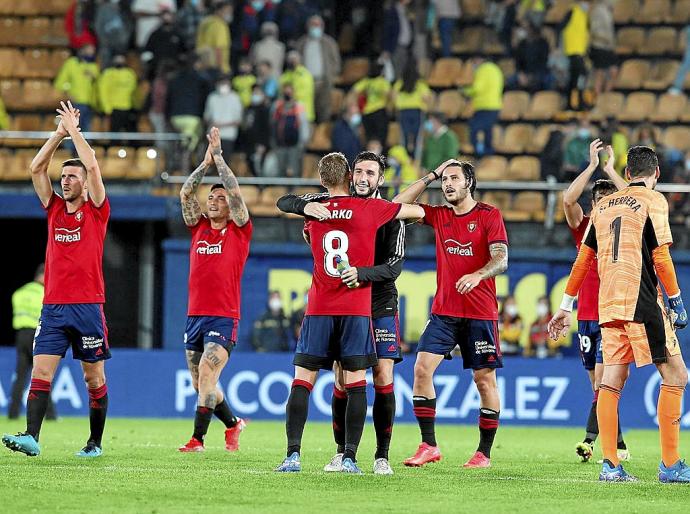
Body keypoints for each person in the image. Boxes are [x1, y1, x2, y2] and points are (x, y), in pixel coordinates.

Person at [274, 152, 424, 474]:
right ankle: (344, 454)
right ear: (349, 175)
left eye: (370, 172)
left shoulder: (379, 211)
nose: (363, 177)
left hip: (377, 298)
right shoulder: (358, 207)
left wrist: (361, 273)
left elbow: (394, 267)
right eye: (358, 171)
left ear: (380, 179)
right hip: (351, 305)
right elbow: (286, 201)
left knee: (382, 376)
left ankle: (381, 455)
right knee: (345, 381)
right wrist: (303, 205)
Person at [549, 146, 690, 482]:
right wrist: (676, 299)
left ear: (627, 175)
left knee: (610, 381)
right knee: (676, 375)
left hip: (607, 305)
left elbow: (583, 260)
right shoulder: (654, 202)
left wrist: (564, 307)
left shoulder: (603, 207)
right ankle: (670, 466)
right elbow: (661, 257)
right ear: (657, 174)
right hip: (641, 300)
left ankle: (611, 466)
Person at [2, 101, 110, 458]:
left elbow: (92, 165)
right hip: (53, 308)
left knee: (93, 379)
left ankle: (94, 442)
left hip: (88, 307)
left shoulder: (96, 210)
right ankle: (32, 437)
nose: (65, 181)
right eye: (62, 176)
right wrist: (58, 134)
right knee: (41, 372)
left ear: (84, 183)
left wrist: (75, 132)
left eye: (71, 177)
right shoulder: (53, 210)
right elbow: (36, 168)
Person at [393, 159, 508, 469]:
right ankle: (428, 445)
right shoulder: (439, 215)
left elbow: (501, 258)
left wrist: (479, 274)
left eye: (454, 178)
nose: (448, 184)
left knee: (484, 382)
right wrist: (430, 174)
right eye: (445, 179)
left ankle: (483, 453)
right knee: (420, 369)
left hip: (480, 313)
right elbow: (395, 206)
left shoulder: (488, 215)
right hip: (444, 312)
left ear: (468, 182)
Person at [177, 127, 252, 453]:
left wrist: (219, 157)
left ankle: (198, 439)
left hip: (223, 317)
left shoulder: (239, 230)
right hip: (195, 314)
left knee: (208, 373)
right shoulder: (199, 228)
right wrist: (205, 163)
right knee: (200, 383)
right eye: (211, 197)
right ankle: (234, 424)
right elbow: (185, 193)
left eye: (220, 197)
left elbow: (235, 192)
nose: (215, 199)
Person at [562, 139, 629, 463]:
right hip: (585, 315)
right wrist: (591, 167)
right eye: (599, 200)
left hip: (613, 313)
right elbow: (567, 198)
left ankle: (590, 441)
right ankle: (618, 439)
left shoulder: (623, 229)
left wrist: (611, 170)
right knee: (597, 385)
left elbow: (635, 197)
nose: (604, 204)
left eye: (609, 199)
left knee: (604, 381)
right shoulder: (584, 228)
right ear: (593, 204)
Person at [8, 264, 57, 421]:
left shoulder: (19, 293)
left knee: (20, 376)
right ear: (42, 275)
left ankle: (12, 413)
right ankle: (50, 415)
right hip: (36, 335)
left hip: (21, 335)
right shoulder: (44, 293)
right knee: (42, 374)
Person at [295, 15, 341, 123]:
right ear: (308, 26)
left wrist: (331, 75)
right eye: (313, 24)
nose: (315, 27)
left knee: (324, 111)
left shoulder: (329, 42)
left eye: (318, 25)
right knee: (306, 112)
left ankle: (321, 136)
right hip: (306, 84)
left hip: (324, 81)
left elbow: (336, 62)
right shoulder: (301, 43)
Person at [54, 44, 99, 135]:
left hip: (91, 103)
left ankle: (83, 148)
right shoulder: (72, 63)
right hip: (76, 102)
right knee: (73, 129)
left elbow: (99, 85)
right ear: (82, 50)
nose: (91, 52)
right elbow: (60, 82)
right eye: (89, 49)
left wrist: (95, 78)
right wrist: (69, 93)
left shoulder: (94, 66)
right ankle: (70, 149)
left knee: (86, 131)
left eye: (93, 50)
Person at [463, 57, 503, 157]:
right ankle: (488, 154)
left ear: (478, 60)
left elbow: (477, 88)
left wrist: (465, 91)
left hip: (484, 105)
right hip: (495, 105)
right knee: (487, 131)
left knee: (473, 127)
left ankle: (478, 152)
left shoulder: (482, 70)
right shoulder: (496, 69)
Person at [392, 60, 432, 155]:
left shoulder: (399, 83)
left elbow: (393, 97)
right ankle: (415, 159)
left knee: (404, 137)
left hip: (403, 112)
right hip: (416, 112)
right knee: (416, 138)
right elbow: (426, 98)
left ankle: (405, 158)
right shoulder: (420, 84)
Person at [271, 84, 310, 177]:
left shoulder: (299, 107)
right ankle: (280, 190)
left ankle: (294, 190)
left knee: (294, 170)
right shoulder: (277, 107)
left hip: (294, 145)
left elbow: (304, 125)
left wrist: (303, 142)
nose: (287, 94)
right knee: (280, 170)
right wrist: (273, 142)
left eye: (289, 92)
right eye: (285, 92)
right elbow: (272, 125)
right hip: (280, 145)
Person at [352, 61, 391, 146]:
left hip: (367, 113)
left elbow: (354, 90)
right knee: (381, 140)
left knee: (369, 140)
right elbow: (388, 95)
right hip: (379, 113)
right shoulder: (382, 82)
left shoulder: (366, 81)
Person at [560, 1, 590, 110]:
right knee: (579, 77)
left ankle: (573, 103)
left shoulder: (584, 15)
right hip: (573, 52)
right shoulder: (573, 12)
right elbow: (560, 27)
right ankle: (576, 102)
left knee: (576, 78)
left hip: (579, 53)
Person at [204, 75, 243, 157]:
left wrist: (222, 125)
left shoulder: (235, 98)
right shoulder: (212, 97)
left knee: (225, 161)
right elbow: (206, 117)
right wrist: (212, 123)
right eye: (221, 83)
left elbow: (239, 120)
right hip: (213, 136)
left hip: (228, 135)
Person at [98, 54, 138, 133]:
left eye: (121, 59)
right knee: (114, 132)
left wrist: (134, 106)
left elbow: (133, 90)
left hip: (128, 107)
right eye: (118, 59)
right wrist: (107, 108)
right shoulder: (108, 73)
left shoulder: (130, 73)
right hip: (113, 108)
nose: (120, 61)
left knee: (130, 132)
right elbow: (103, 91)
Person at [143, 9, 185, 80]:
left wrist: (180, 61)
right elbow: (147, 51)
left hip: (174, 69)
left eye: (169, 15)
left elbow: (184, 50)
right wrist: (150, 63)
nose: (166, 18)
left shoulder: (178, 34)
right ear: (160, 18)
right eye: (164, 16)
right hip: (157, 69)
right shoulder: (155, 34)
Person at [196, 1, 232, 75]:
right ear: (219, 11)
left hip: (203, 63)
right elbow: (219, 48)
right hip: (217, 65)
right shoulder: (220, 25)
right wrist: (220, 69)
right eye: (227, 11)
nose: (229, 14)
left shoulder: (205, 22)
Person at [589, 0, 617, 96]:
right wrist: (605, 39)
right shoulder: (597, 11)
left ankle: (605, 96)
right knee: (599, 73)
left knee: (613, 72)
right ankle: (597, 98)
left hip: (608, 47)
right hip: (599, 46)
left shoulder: (607, 11)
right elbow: (593, 31)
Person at [279, 51, 315, 123]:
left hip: (304, 113)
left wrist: (292, 95)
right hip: (287, 113)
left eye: (294, 59)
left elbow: (307, 92)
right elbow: (280, 92)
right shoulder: (284, 76)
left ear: (299, 60)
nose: (292, 61)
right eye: (290, 59)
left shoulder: (305, 74)